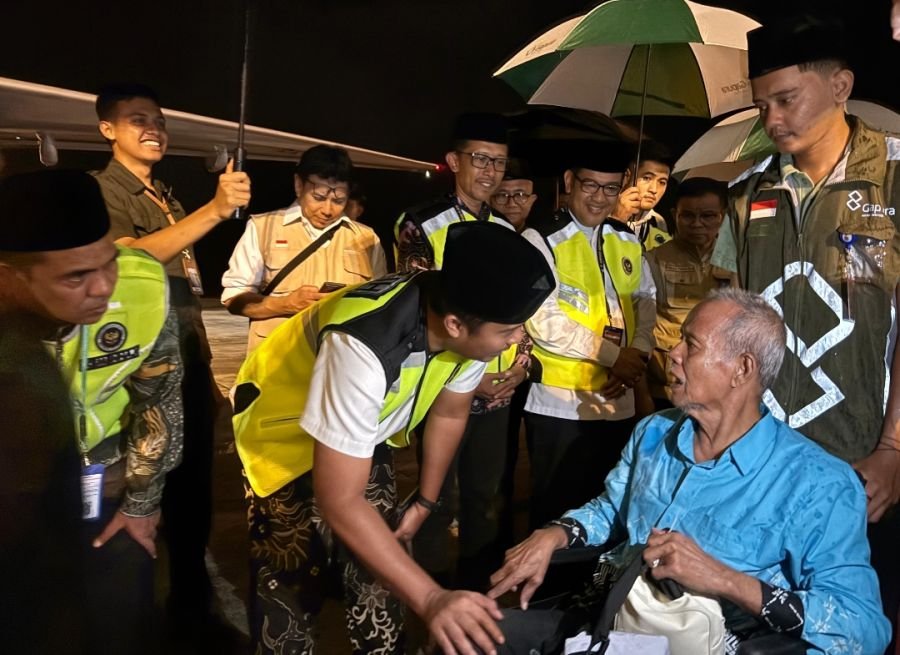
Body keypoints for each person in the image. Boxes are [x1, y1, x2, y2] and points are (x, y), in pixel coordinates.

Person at [488, 289, 890, 655]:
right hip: (610, 618)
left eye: (690, 344)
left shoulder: (818, 483)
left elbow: (863, 628)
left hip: (708, 643)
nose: (672, 352)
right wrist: (555, 534)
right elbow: (614, 507)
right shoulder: (654, 433)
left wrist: (725, 580)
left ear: (741, 369)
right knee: (468, 635)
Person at [231, 221, 555, 655]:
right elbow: (340, 499)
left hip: (362, 432)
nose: (517, 340)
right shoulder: (364, 342)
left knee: (381, 580)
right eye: (508, 331)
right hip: (281, 439)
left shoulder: (470, 319)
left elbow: (449, 411)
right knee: (289, 589)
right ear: (456, 324)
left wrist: (425, 501)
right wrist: (433, 599)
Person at [710, 15, 900, 650]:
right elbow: (727, 321)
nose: (771, 120)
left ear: (840, 86)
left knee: (857, 627)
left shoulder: (895, 177)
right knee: (764, 626)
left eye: (786, 100)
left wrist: (894, 448)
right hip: (763, 463)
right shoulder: (746, 192)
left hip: (863, 460)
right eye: (762, 104)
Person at [0, 170, 183, 654]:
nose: (103, 287)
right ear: (7, 277)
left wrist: (143, 506)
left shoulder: (142, 286)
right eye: (75, 277)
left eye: (109, 262)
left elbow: (159, 398)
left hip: (110, 500)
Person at [91, 81, 250, 637]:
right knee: (140, 494)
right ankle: (132, 618)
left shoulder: (165, 195)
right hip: (142, 374)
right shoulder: (103, 193)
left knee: (193, 495)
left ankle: (189, 606)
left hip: (188, 360)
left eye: (158, 119)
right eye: (138, 120)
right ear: (108, 129)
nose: (154, 128)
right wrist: (214, 209)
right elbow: (128, 258)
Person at [396, 112, 533, 589]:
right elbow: (421, 306)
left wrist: (521, 364)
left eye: (498, 161)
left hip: (496, 393)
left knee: (488, 496)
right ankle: (429, 593)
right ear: (454, 161)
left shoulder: (506, 229)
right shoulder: (420, 223)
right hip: (442, 391)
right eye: (480, 159)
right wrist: (472, 375)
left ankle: (480, 592)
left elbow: (521, 309)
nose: (491, 170)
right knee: (437, 497)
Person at [521, 142, 655, 529]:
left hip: (619, 400)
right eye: (590, 186)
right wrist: (616, 358)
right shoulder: (540, 238)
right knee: (558, 511)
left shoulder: (626, 237)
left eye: (610, 188)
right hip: (562, 404)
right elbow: (543, 321)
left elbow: (646, 299)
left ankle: (595, 590)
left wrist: (638, 354)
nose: (600, 198)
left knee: (610, 508)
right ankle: (550, 590)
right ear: (569, 182)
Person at [221, 145, 386, 352]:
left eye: (338, 200)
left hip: (340, 363)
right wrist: (285, 303)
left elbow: (381, 303)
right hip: (277, 362)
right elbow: (234, 298)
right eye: (318, 197)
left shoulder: (367, 239)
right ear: (299, 185)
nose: (327, 210)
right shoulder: (263, 227)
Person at [646, 177, 728, 409]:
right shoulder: (654, 259)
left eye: (708, 216)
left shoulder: (737, 259)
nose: (697, 224)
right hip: (667, 384)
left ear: (724, 215)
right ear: (675, 215)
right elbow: (639, 328)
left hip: (718, 384)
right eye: (688, 216)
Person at [612, 140, 674, 250]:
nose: (654, 189)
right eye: (646, 178)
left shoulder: (659, 222)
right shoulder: (598, 212)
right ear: (626, 176)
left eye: (662, 182)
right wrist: (617, 220)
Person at [489, 158, 538, 234]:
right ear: (488, 200)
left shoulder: (545, 241)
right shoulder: (478, 237)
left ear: (532, 200)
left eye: (520, 195)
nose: (511, 204)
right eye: (502, 195)